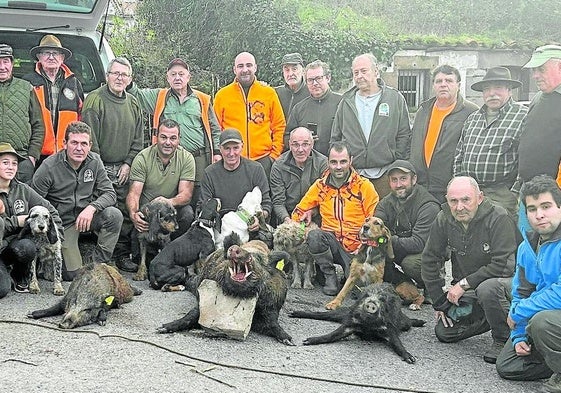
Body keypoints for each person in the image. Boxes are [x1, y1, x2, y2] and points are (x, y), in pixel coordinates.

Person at [421, 176, 517, 364]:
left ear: (479, 198)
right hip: (470, 288)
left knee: (487, 289)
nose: (459, 207)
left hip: (506, 284)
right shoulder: (444, 218)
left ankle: (502, 338)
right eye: (453, 201)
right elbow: (429, 259)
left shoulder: (499, 217)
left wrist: (463, 284)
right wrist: (440, 302)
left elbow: (504, 266)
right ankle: (490, 317)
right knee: (444, 332)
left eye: (466, 200)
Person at [32, 121, 123, 280]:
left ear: (90, 145)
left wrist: (92, 208)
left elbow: (110, 193)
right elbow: (33, 202)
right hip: (63, 223)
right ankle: (51, 262)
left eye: (84, 143)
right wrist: (51, 227)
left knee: (114, 215)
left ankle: (99, 264)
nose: (79, 148)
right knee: (71, 275)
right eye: (74, 142)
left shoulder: (95, 161)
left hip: (87, 217)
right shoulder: (48, 167)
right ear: (65, 143)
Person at [496, 175, 561, 392]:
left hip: (551, 316)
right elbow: (522, 291)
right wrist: (519, 334)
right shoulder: (527, 247)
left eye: (546, 206)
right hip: (547, 315)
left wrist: (518, 313)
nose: (539, 215)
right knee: (507, 365)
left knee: (542, 322)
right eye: (532, 209)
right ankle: (552, 362)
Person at [129, 58, 221, 207]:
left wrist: (217, 152)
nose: (177, 78)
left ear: (188, 77)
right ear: (168, 78)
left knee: (199, 198)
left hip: (199, 158)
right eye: (173, 74)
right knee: (175, 199)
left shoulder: (202, 99)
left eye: (181, 74)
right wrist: (126, 77)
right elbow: (136, 95)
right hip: (170, 158)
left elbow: (214, 128)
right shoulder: (159, 96)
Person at [81, 57, 144, 272]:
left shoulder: (134, 103)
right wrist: (100, 169)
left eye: (124, 74)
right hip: (100, 165)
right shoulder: (94, 100)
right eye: (115, 73)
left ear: (130, 79)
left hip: (125, 166)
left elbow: (139, 138)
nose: (119, 78)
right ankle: (99, 257)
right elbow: (89, 141)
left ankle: (122, 255)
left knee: (126, 210)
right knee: (108, 211)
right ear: (107, 76)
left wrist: (128, 163)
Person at [292, 142, 379, 295]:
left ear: (350, 161)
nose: (338, 167)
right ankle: (329, 276)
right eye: (334, 162)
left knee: (359, 292)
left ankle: (349, 275)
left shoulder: (364, 186)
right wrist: (310, 211)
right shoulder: (320, 186)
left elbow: (376, 221)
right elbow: (298, 212)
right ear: (328, 162)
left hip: (357, 247)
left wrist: (365, 246)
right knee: (315, 235)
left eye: (343, 161)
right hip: (331, 244)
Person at [330, 53, 410, 198]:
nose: (359, 76)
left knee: (382, 219)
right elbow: (336, 137)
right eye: (356, 72)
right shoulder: (346, 102)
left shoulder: (394, 99)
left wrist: (394, 161)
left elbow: (404, 134)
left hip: (385, 176)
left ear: (376, 72)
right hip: (354, 177)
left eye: (364, 71)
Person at [454, 67, 527, 217]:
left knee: (501, 238)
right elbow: (459, 155)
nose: (492, 93)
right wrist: (460, 185)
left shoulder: (523, 116)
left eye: (498, 88)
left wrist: (513, 193)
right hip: (471, 193)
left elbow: (527, 160)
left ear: (509, 90)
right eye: (487, 89)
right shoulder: (473, 118)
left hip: (502, 195)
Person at [126, 119, 196, 270]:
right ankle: (143, 257)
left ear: (179, 139)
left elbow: (186, 194)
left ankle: (178, 255)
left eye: (173, 138)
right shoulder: (142, 158)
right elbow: (134, 193)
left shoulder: (187, 158)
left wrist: (167, 202)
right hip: (148, 215)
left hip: (171, 212)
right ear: (156, 136)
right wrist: (134, 214)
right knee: (140, 253)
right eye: (163, 137)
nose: (168, 142)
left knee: (188, 213)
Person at [0, 143, 63, 297]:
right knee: (1, 290)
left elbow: (51, 211)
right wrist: (17, 221)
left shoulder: (23, 189)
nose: (11, 167)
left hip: (14, 246)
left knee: (28, 247)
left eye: (14, 163)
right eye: (5, 163)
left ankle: (18, 274)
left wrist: (56, 237)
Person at [410, 65, 479, 203]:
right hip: (420, 186)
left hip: (451, 189)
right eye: (439, 81)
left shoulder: (471, 112)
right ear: (433, 85)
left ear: (458, 85)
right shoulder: (423, 110)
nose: (443, 85)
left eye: (449, 81)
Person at [374, 160, 440, 297]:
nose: (398, 185)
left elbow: (418, 243)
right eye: (394, 180)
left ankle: (433, 283)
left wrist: (387, 240)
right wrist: (381, 241)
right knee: (375, 254)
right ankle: (402, 282)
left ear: (414, 179)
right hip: (398, 247)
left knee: (410, 264)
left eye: (403, 179)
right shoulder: (384, 204)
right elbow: (376, 233)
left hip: (425, 252)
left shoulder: (428, 206)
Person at [213, 51, 285, 177]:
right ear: (234, 69)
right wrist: (219, 153)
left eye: (249, 65)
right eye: (240, 66)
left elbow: (279, 125)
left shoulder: (269, 93)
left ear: (255, 67)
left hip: (264, 160)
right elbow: (215, 128)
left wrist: (274, 155)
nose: (245, 69)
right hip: (232, 160)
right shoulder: (222, 95)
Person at [23, 34, 84, 162]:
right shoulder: (28, 82)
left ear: (62, 58)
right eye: (46, 53)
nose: (51, 57)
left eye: (55, 53)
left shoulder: (74, 83)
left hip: (67, 154)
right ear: (39, 57)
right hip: (36, 154)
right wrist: (30, 153)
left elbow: (81, 117)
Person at [200, 128, 272, 227]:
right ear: (219, 148)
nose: (231, 153)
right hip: (221, 228)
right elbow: (204, 206)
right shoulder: (209, 173)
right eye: (227, 148)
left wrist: (258, 219)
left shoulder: (256, 169)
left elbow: (266, 203)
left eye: (235, 148)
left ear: (242, 146)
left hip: (249, 226)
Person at [517, 45, 561, 189]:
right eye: (534, 70)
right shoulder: (537, 98)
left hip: (553, 191)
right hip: (528, 185)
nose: (535, 75)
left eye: (541, 69)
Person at [0, 43, 45, 184]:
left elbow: (39, 125)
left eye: (6, 61)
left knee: (21, 203)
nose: (2, 67)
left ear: (12, 64)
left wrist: (32, 156)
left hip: (21, 160)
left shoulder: (26, 88)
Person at [270, 127, 327, 226]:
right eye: (295, 144)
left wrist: (312, 212)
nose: (300, 149)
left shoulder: (323, 164)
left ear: (312, 145)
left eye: (305, 144)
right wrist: (287, 220)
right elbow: (278, 202)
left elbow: (327, 199)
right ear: (290, 145)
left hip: (316, 217)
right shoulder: (278, 166)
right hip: (288, 217)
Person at [285, 60, 342, 155]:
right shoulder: (299, 108)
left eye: (319, 78)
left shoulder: (342, 103)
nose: (315, 83)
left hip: (336, 163)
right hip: (307, 163)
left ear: (328, 78)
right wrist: (302, 140)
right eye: (310, 80)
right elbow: (287, 137)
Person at [275, 53, 309, 126]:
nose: (290, 74)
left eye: (294, 69)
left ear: (303, 71)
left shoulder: (311, 93)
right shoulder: (276, 93)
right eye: (287, 70)